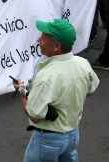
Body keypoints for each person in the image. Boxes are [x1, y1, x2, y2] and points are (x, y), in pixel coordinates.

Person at [15, 19, 99, 162]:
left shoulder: (46, 76)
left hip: (48, 140)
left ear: (56, 47)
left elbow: (34, 114)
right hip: (73, 135)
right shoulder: (83, 64)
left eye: (43, 38)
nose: (39, 40)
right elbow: (92, 87)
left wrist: (22, 92)